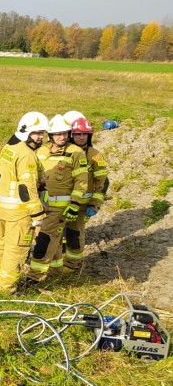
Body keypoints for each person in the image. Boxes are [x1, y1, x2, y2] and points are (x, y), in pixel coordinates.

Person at [0, 112, 47, 293]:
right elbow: (28, 188)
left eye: (42, 133)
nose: (41, 137)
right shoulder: (27, 155)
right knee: (15, 250)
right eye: (37, 133)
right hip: (20, 213)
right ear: (26, 131)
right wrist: (37, 213)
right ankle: (6, 289)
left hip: (3, 209)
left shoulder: (10, 148)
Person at [26, 114, 89, 284]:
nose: (62, 137)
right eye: (58, 133)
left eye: (65, 133)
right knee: (45, 239)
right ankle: (55, 271)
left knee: (45, 240)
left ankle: (34, 278)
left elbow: (81, 181)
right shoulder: (41, 151)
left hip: (61, 207)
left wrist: (75, 204)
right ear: (51, 135)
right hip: (42, 206)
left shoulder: (76, 153)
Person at [61, 113, 109, 271]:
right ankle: (55, 262)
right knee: (56, 234)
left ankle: (72, 265)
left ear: (89, 135)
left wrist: (95, 204)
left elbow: (101, 183)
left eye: (84, 134)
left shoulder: (95, 155)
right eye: (77, 134)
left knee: (75, 235)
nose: (81, 137)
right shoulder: (64, 151)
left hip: (81, 205)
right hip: (60, 203)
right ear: (71, 134)